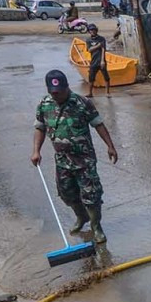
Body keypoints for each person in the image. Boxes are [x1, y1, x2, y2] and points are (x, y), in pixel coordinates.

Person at [31, 70, 119, 244]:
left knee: (91, 195)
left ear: (66, 87)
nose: (56, 95)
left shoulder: (81, 103)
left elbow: (98, 124)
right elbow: (40, 128)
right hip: (62, 160)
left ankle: (96, 226)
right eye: (53, 92)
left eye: (59, 92)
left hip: (84, 160)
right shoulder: (44, 104)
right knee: (67, 194)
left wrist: (110, 146)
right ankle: (82, 217)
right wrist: (36, 151)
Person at [85, 23, 111, 98]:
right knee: (91, 78)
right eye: (91, 30)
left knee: (106, 77)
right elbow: (89, 50)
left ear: (96, 30)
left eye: (94, 30)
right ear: (89, 31)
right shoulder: (88, 40)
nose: (92, 31)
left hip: (101, 61)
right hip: (93, 61)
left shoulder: (101, 38)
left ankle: (107, 93)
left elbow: (103, 49)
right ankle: (90, 93)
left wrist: (102, 61)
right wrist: (98, 46)